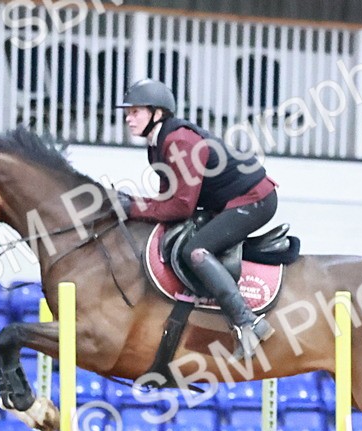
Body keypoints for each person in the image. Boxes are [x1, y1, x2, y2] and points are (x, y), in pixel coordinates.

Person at [115, 78, 278, 361]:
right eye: (128, 112)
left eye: (135, 112)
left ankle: (247, 322)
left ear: (157, 113)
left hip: (255, 200)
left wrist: (132, 208)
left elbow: (179, 207)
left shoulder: (179, 141)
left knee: (197, 251)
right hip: (229, 201)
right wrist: (137, 207)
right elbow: (169, 197)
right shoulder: (158, 143)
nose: (128, 118)